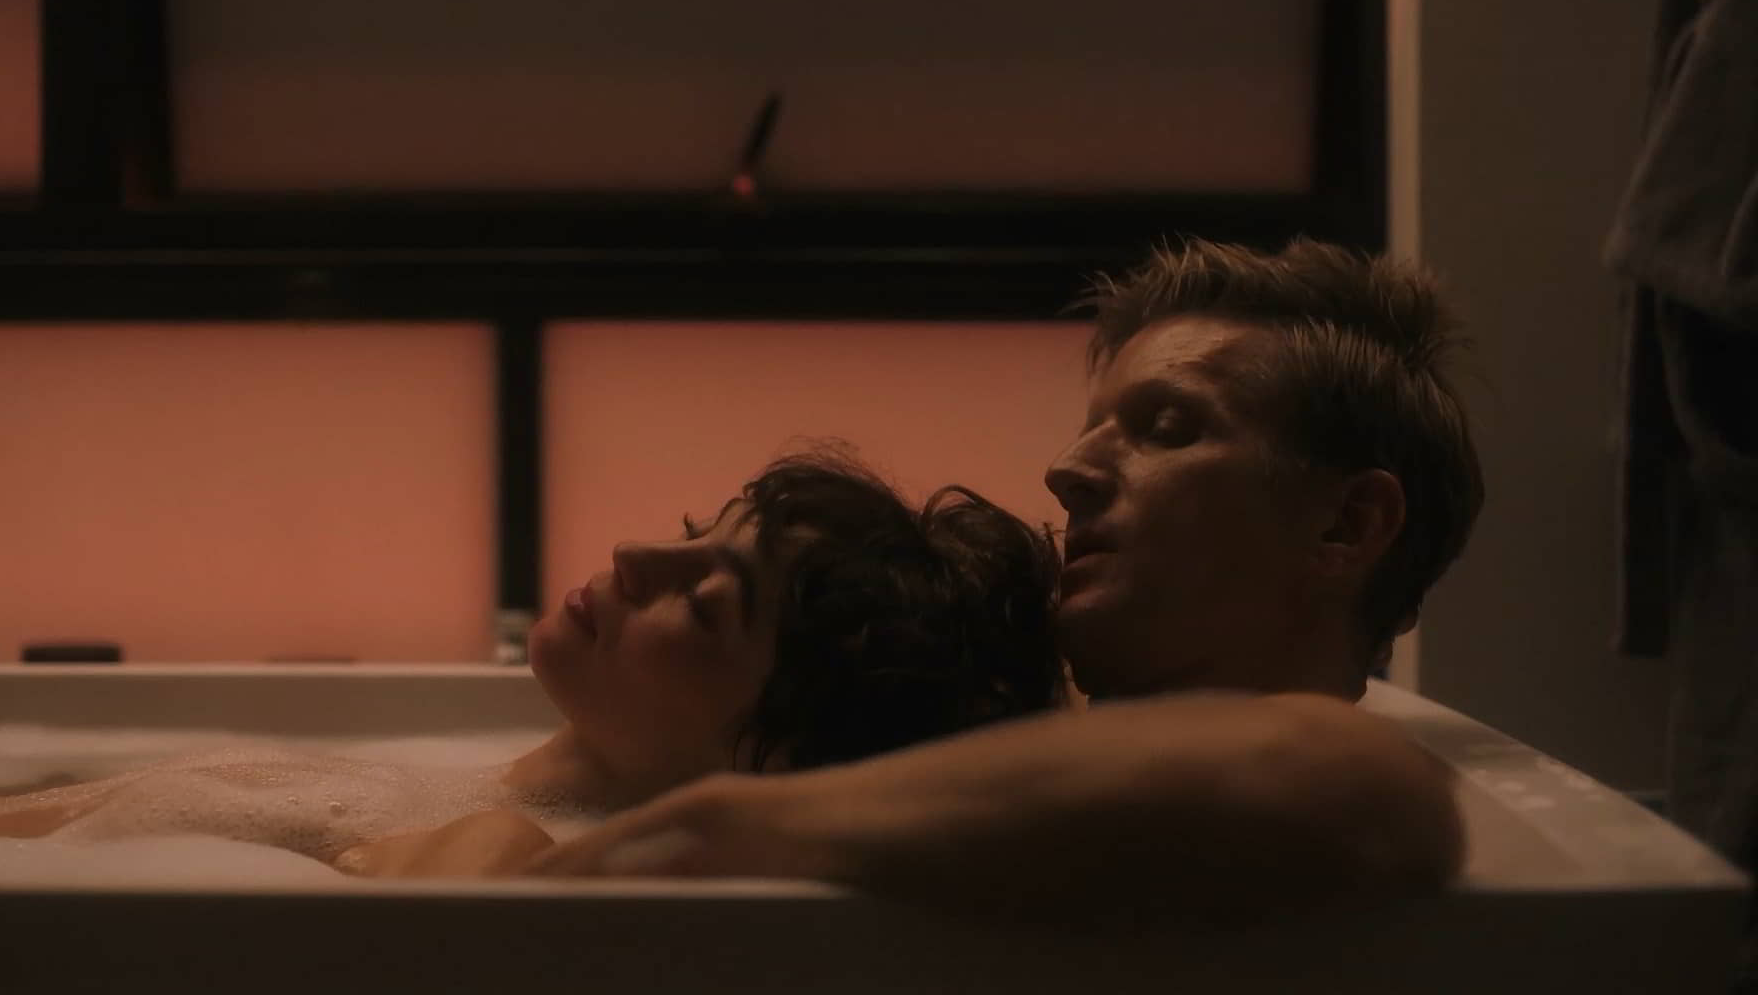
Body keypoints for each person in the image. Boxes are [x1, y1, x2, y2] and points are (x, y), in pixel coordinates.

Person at [520, 239, 1486, 923]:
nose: (1066, 471)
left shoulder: (1327, 786)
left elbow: (1358, 787)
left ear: (1346, 525)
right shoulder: (983, 718)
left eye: (1167, 429)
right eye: (1091, 427)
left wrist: (697, 835)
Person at [0, 449, 1063, 880]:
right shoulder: (459, 787)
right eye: (695, 535)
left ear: (773, 760)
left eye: (706, 603)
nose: (635, 554)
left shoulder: (499, 850)